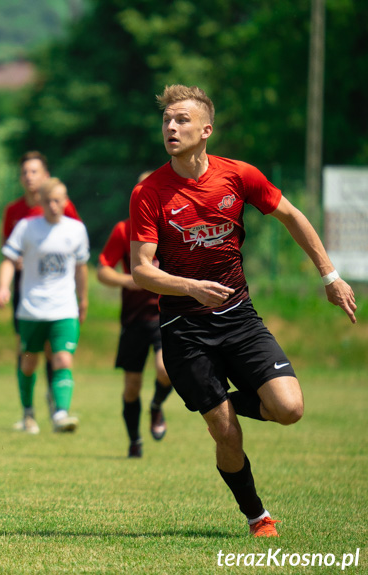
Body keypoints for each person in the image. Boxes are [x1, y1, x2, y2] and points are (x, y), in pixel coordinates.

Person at [129, 85, 357, 537]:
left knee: (290, 408)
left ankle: (214, 408)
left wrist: (329, 276)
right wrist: (190, 287)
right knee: (227, 434)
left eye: (181, 120)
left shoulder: (239, 176)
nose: (171, 128)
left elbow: (292, 215)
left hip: (239, 318)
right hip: (184, 328)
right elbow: (140, 271)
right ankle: (257, 515)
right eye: (166, 121)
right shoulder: (149, 192)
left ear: (206, 130)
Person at [0, 177, 90, 433]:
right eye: (47, 201)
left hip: (64, 308)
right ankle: (28, 414)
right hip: (31, 308)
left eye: (58, 200)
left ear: (66, 201)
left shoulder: (76, 230)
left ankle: (60, 413)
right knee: (28, 362)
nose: (53, 206)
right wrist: (3, 287)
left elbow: (81, 268)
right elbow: (8, 259)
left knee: (62, 359)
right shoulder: (27, 227)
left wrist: (83, 298)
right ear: (40, 202)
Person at [98, 171, 173, 458]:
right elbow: (103, 269)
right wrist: (129, 280)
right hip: (133, 319)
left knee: (166, 369)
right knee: (131, 386)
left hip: (165, 313)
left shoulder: (171, 228)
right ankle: (134, 441)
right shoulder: (123, 230)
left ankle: (155, 406)